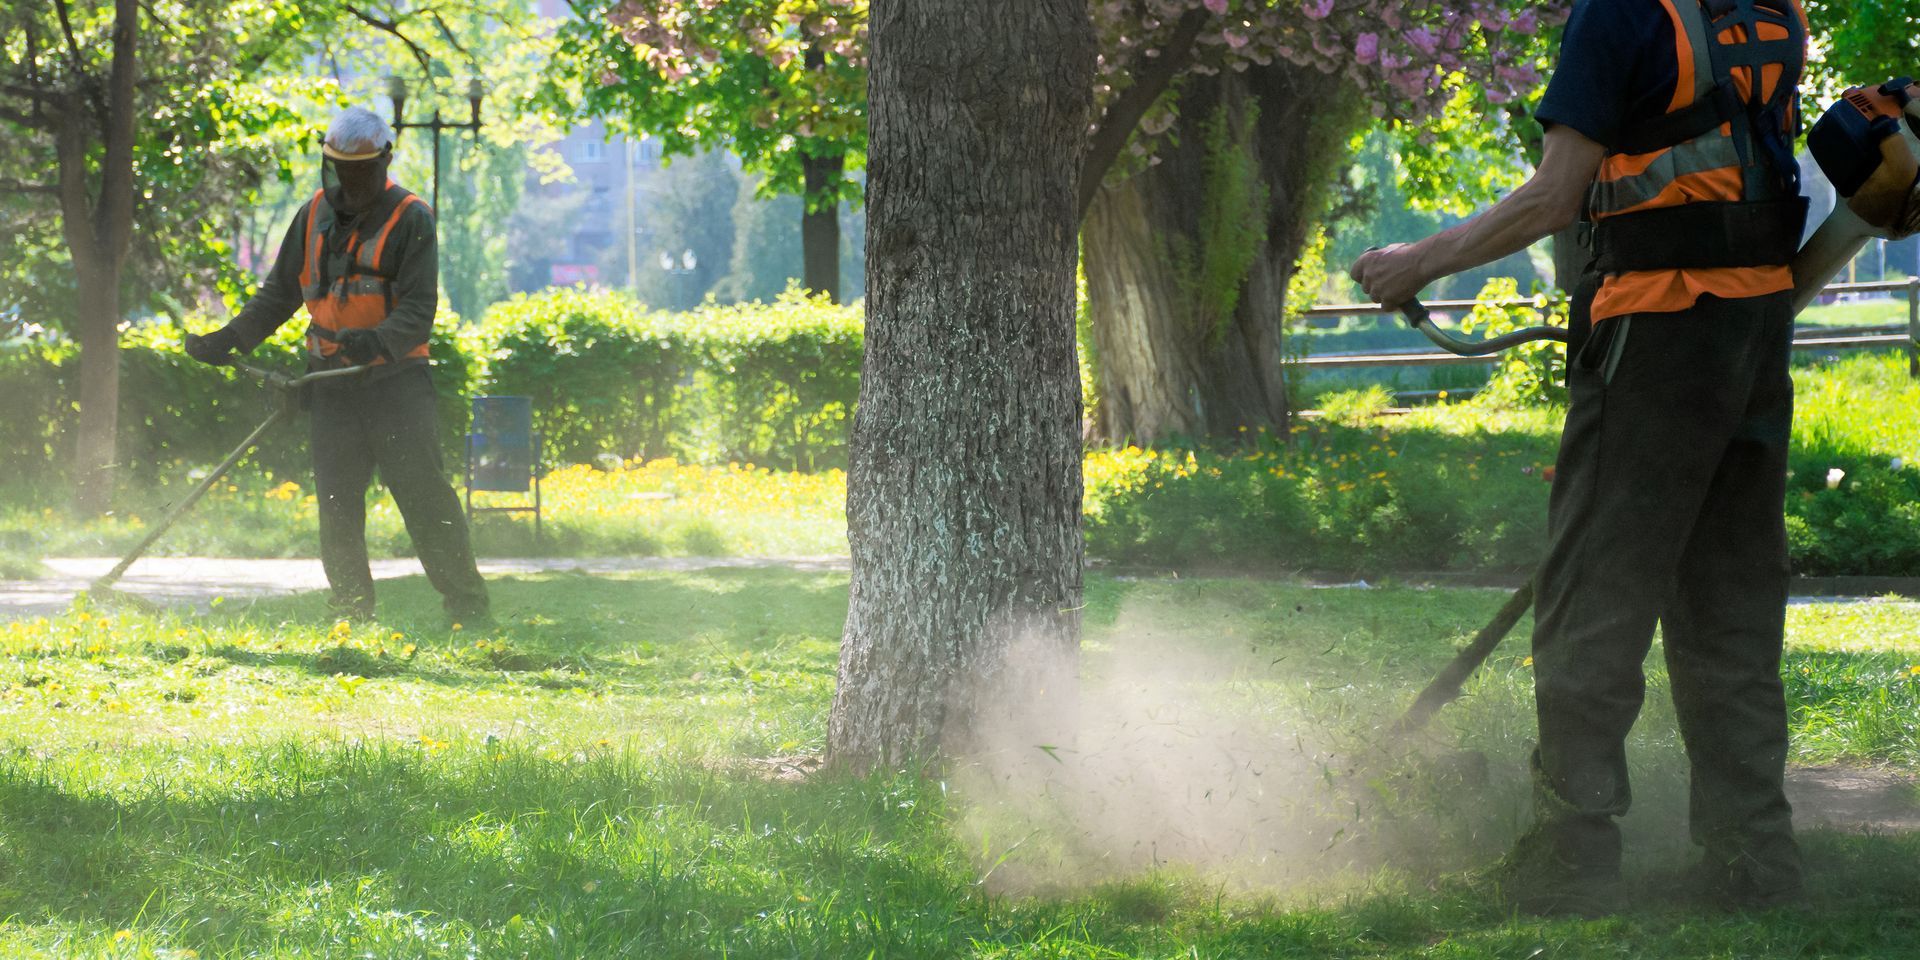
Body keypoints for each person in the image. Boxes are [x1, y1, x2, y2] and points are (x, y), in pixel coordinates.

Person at [1351, 0, 1809, 916]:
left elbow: (1557, 194)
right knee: (1730, 608)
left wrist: (1421, 260)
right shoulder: (1770, 8)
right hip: (1754, 336)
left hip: (1657, 333)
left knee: (1591, 600)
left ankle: (1571, 851)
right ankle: (1750, 858)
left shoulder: (1622, 12)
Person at [185, 106, 491, 626]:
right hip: (330, 385)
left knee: (423, 498)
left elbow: (419, 311)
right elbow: (279, 293)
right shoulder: (311, 215)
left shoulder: (411, 217)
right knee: (336, 502)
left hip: (396, 386)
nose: (349, 183)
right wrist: (231, 339)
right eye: (340, 171)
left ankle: (467, 608)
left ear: (384, 161)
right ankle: (351, 612)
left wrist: (374, 342)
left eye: (360, 171)